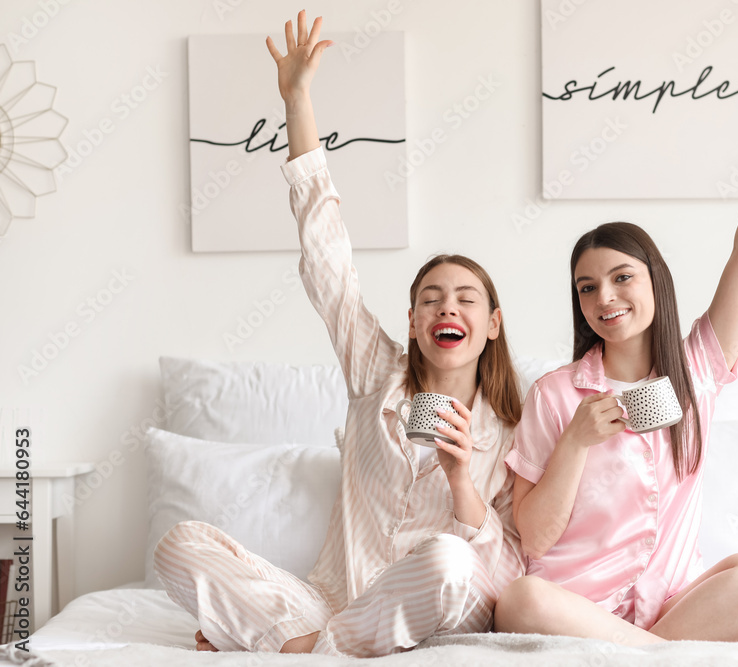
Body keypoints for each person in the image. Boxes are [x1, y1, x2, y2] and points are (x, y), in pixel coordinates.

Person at [153, 11, 524, 657]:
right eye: (431, 297)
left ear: (492, 324)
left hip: (440, 604)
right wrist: (297, 99)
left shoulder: (518, 424)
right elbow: (328, 258)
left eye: (467, 298)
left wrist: (463, 476)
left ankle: (292, 647)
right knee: (179, 544)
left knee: (448, 559)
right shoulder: (374, 372)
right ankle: (326, 644)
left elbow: (505, 563)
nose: (448, 307)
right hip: (335, 597)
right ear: (412, 321)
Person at [494, 44, 738, 646]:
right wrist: (575, 442)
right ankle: (674, 654)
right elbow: (534, 540)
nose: (605, 298)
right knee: (518, 599)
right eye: (587, 288)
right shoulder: (555, 394)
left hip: (668, 604)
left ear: (655, 282)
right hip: (573, 609)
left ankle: (656, 647)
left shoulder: (696, 368)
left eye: (622, 278)